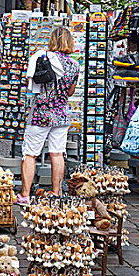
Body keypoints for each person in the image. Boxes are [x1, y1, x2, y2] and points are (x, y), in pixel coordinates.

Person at [17, 27, 80, 205]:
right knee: (57, 154)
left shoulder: (42, 58)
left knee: (30, 154)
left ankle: (25, 195)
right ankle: (56, 193)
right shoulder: (74, 65)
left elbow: (31, 83)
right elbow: (70, 92)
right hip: (61, 114)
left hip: (41, 113)